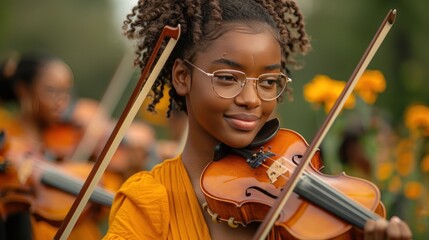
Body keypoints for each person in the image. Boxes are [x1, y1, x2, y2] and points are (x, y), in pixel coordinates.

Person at [104, 0, 412, 239]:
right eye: (227, 78)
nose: (251, 99)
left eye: (267, 82)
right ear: (183, 77)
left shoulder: (296, 207)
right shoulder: (148, 202)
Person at [0, 52, 104, 240]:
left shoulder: (65, 139)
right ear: (24, 90)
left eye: (66, 92)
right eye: (51, 91)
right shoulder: (6, 135)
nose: (62, 101)